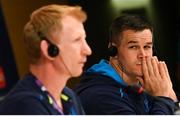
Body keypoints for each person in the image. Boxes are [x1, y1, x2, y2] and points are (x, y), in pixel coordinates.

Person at [75, 14, 179, 114]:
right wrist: (162, 99)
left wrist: (171, 98)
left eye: (147, 47)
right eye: (133, 47)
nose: (142, 55)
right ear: (113, 50)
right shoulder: (100, 96)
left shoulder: (145, 88)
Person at [0, 4, 91, 115]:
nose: (87, 50)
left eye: (84, 39)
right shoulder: (25, 106)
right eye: (77, 40)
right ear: (49, 49)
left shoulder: (68, 96)